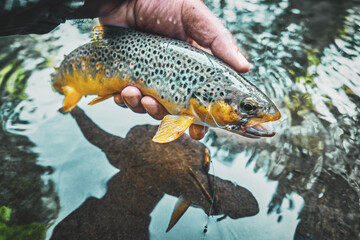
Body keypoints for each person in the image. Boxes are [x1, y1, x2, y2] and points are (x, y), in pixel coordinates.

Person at [1, 0, 250, 140]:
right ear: (211, 93)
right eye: (246, 107)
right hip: (82, 65)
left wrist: (119, 4)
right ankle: (67, 90)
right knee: (76, 93)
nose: (248, 112)